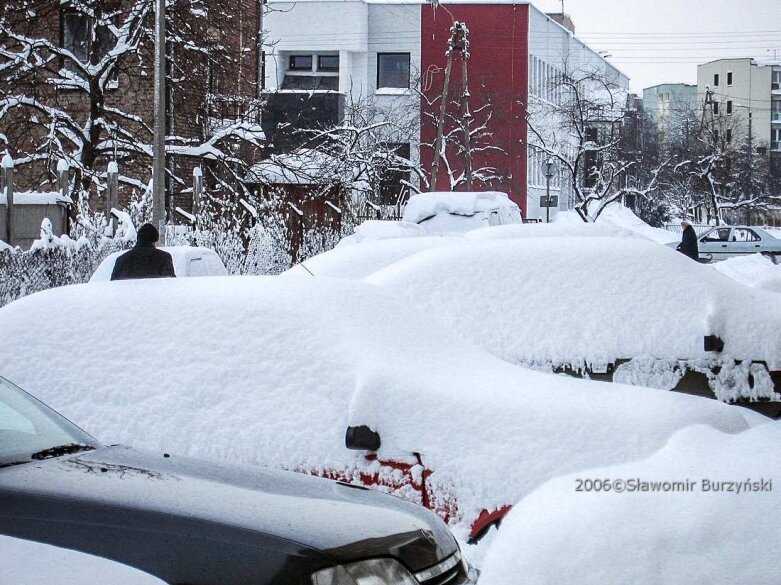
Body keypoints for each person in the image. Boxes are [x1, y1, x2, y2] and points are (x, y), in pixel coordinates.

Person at [110, 223, 176, 280]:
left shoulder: (121, 260)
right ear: (154, 241)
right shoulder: (164, 258)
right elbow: (170, 286)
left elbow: (113, 287)